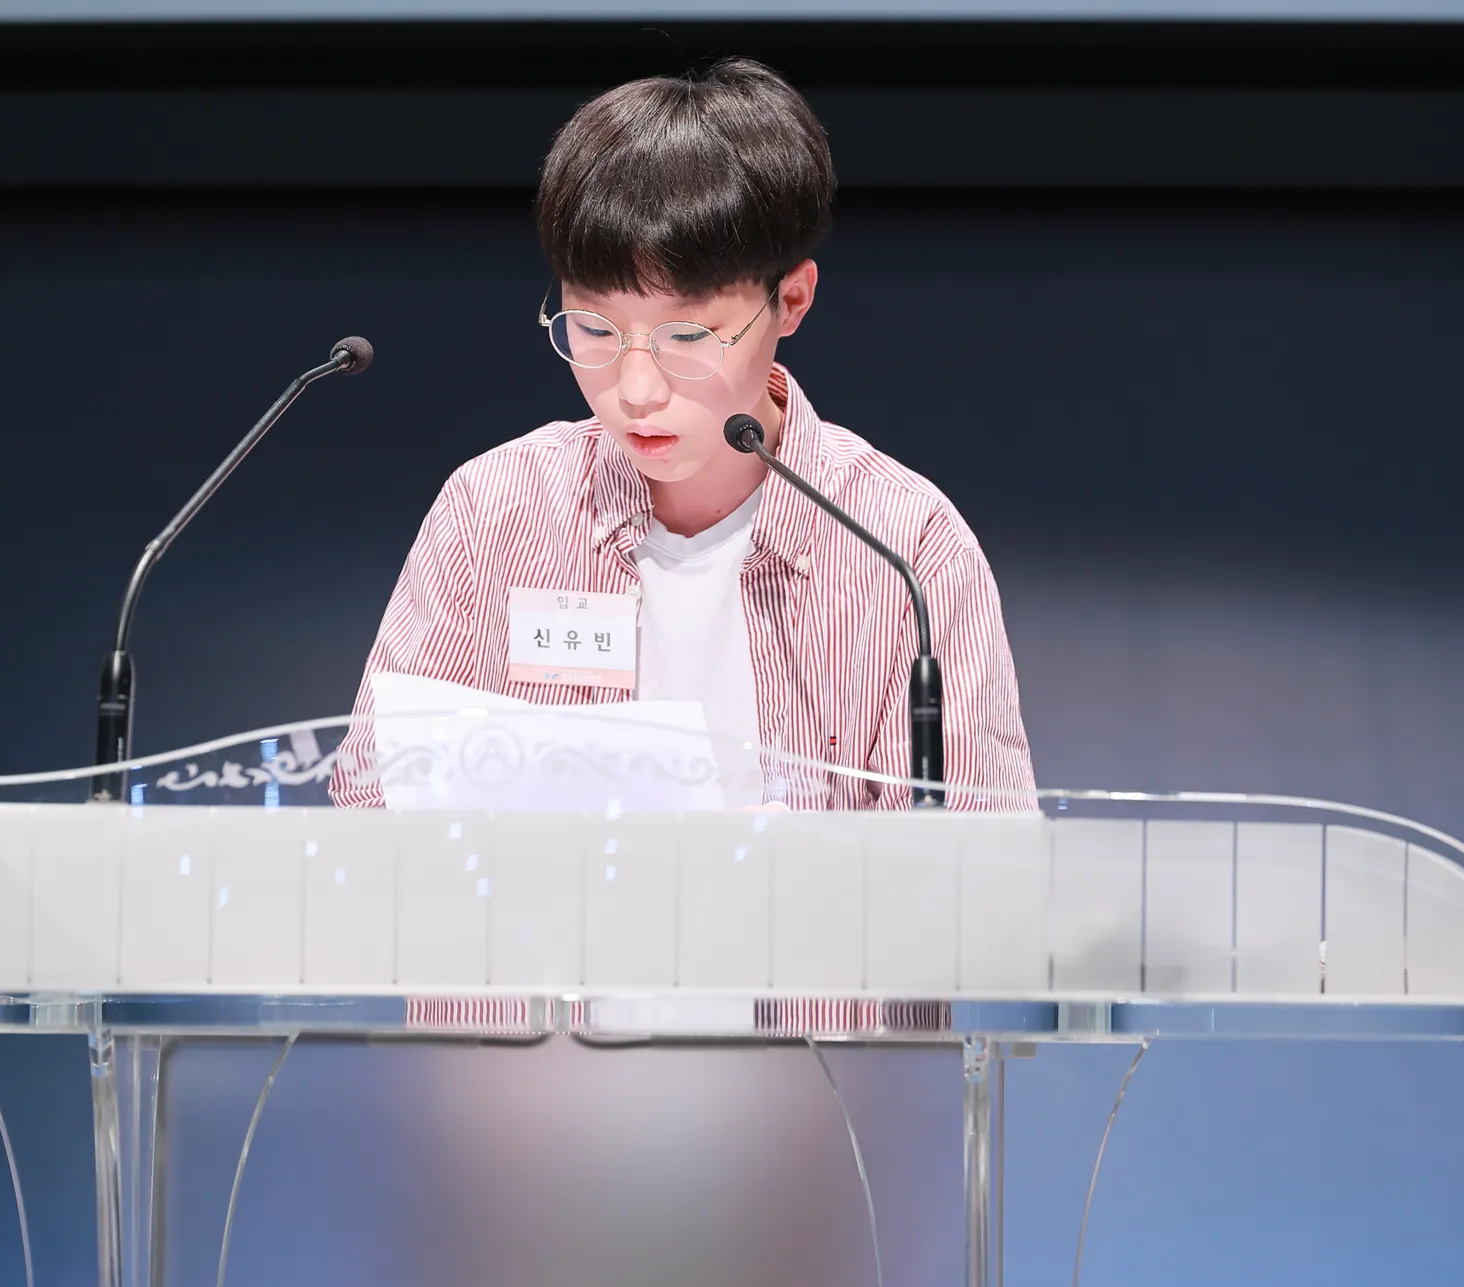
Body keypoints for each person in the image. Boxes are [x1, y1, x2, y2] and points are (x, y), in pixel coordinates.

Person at [334, 58, 1034, 810]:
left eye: (689, 336)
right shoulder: (494, 512)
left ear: (792, 300)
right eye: (593, 328)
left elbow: (977, 859)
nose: (637, 389)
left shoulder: (907, 548)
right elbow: (372, 802)